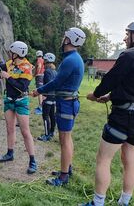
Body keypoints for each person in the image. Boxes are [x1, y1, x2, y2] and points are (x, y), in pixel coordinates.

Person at [80, 20, 134, 206]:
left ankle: (98, 202)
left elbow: (111, 80)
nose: (126, 38)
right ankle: (124, 202)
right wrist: (112, 97)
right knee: (130, 161)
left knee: (103, 159)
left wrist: (96, 95)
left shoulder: (129, 55)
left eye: (128, 33)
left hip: (122, 118)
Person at [32, 27, 86, 186]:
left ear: (69, 40)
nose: (62, 39)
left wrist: (38, 91)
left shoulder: (71, 60)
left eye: (65, 37)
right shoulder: (73, 58)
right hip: (68, 102)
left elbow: (56, 82)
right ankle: (67, 168)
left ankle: (63, 177)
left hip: (66, 103)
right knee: (67, 139)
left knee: (64, 140)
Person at [0, 41, 37, 174]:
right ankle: (10, 153)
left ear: (17, 53)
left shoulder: (27, 67)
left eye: (11, 52)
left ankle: (32, 161)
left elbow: (22, 87)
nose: (9, 54)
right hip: (9, 100)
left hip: (21, 101)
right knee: (10, 129)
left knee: (25, 132)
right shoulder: (9, 64)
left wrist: (9, 77)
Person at [37, 53, 57, 142]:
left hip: (48, 97)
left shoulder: (47, 71)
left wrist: (44, 95)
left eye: (44, 60)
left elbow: (48, 84)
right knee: (52, 116)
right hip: (54, 97)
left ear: (47, 61)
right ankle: (52, 132)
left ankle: (46, 135)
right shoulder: (55, 72)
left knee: (45, 116)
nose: (43, 62)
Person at [34, 50, 45, 115]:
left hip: (39, 76)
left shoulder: (39, 60)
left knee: (39, 91)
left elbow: (39, 66)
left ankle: (40, 106)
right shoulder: (44, 60)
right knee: (43, 90)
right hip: (44, 76)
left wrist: (37, 73)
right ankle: (43, 104)